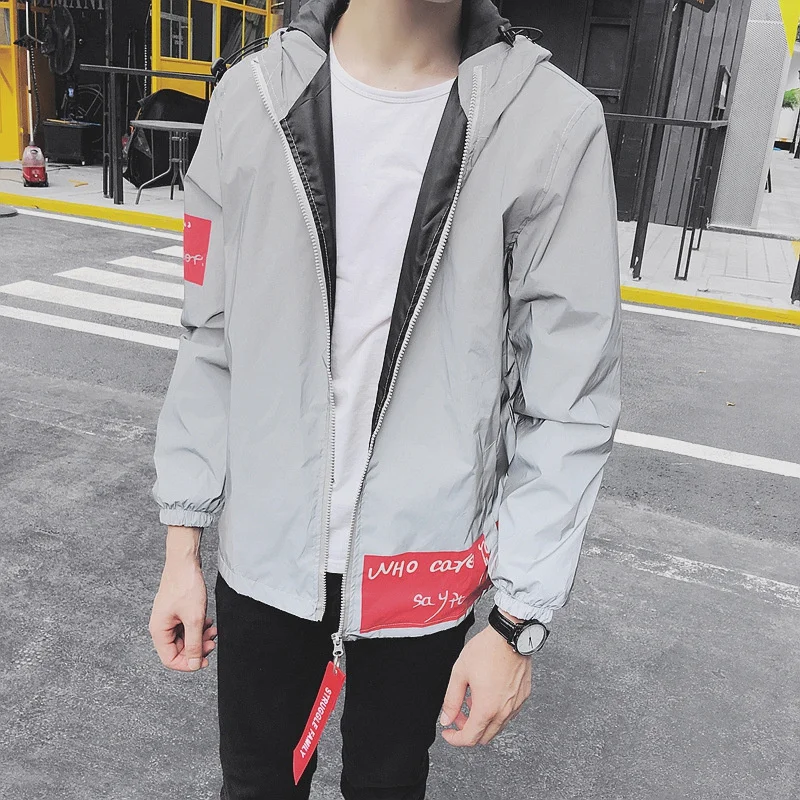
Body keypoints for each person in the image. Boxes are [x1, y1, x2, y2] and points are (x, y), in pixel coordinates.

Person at [149, 0, 622, 798]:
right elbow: (211, 337)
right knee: (256, 786)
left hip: (423, 565)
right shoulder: (251, 98)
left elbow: (568, 398)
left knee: (388, 785)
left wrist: (516, 622)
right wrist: (181, 544)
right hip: (264, 555)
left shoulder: (550, 122)